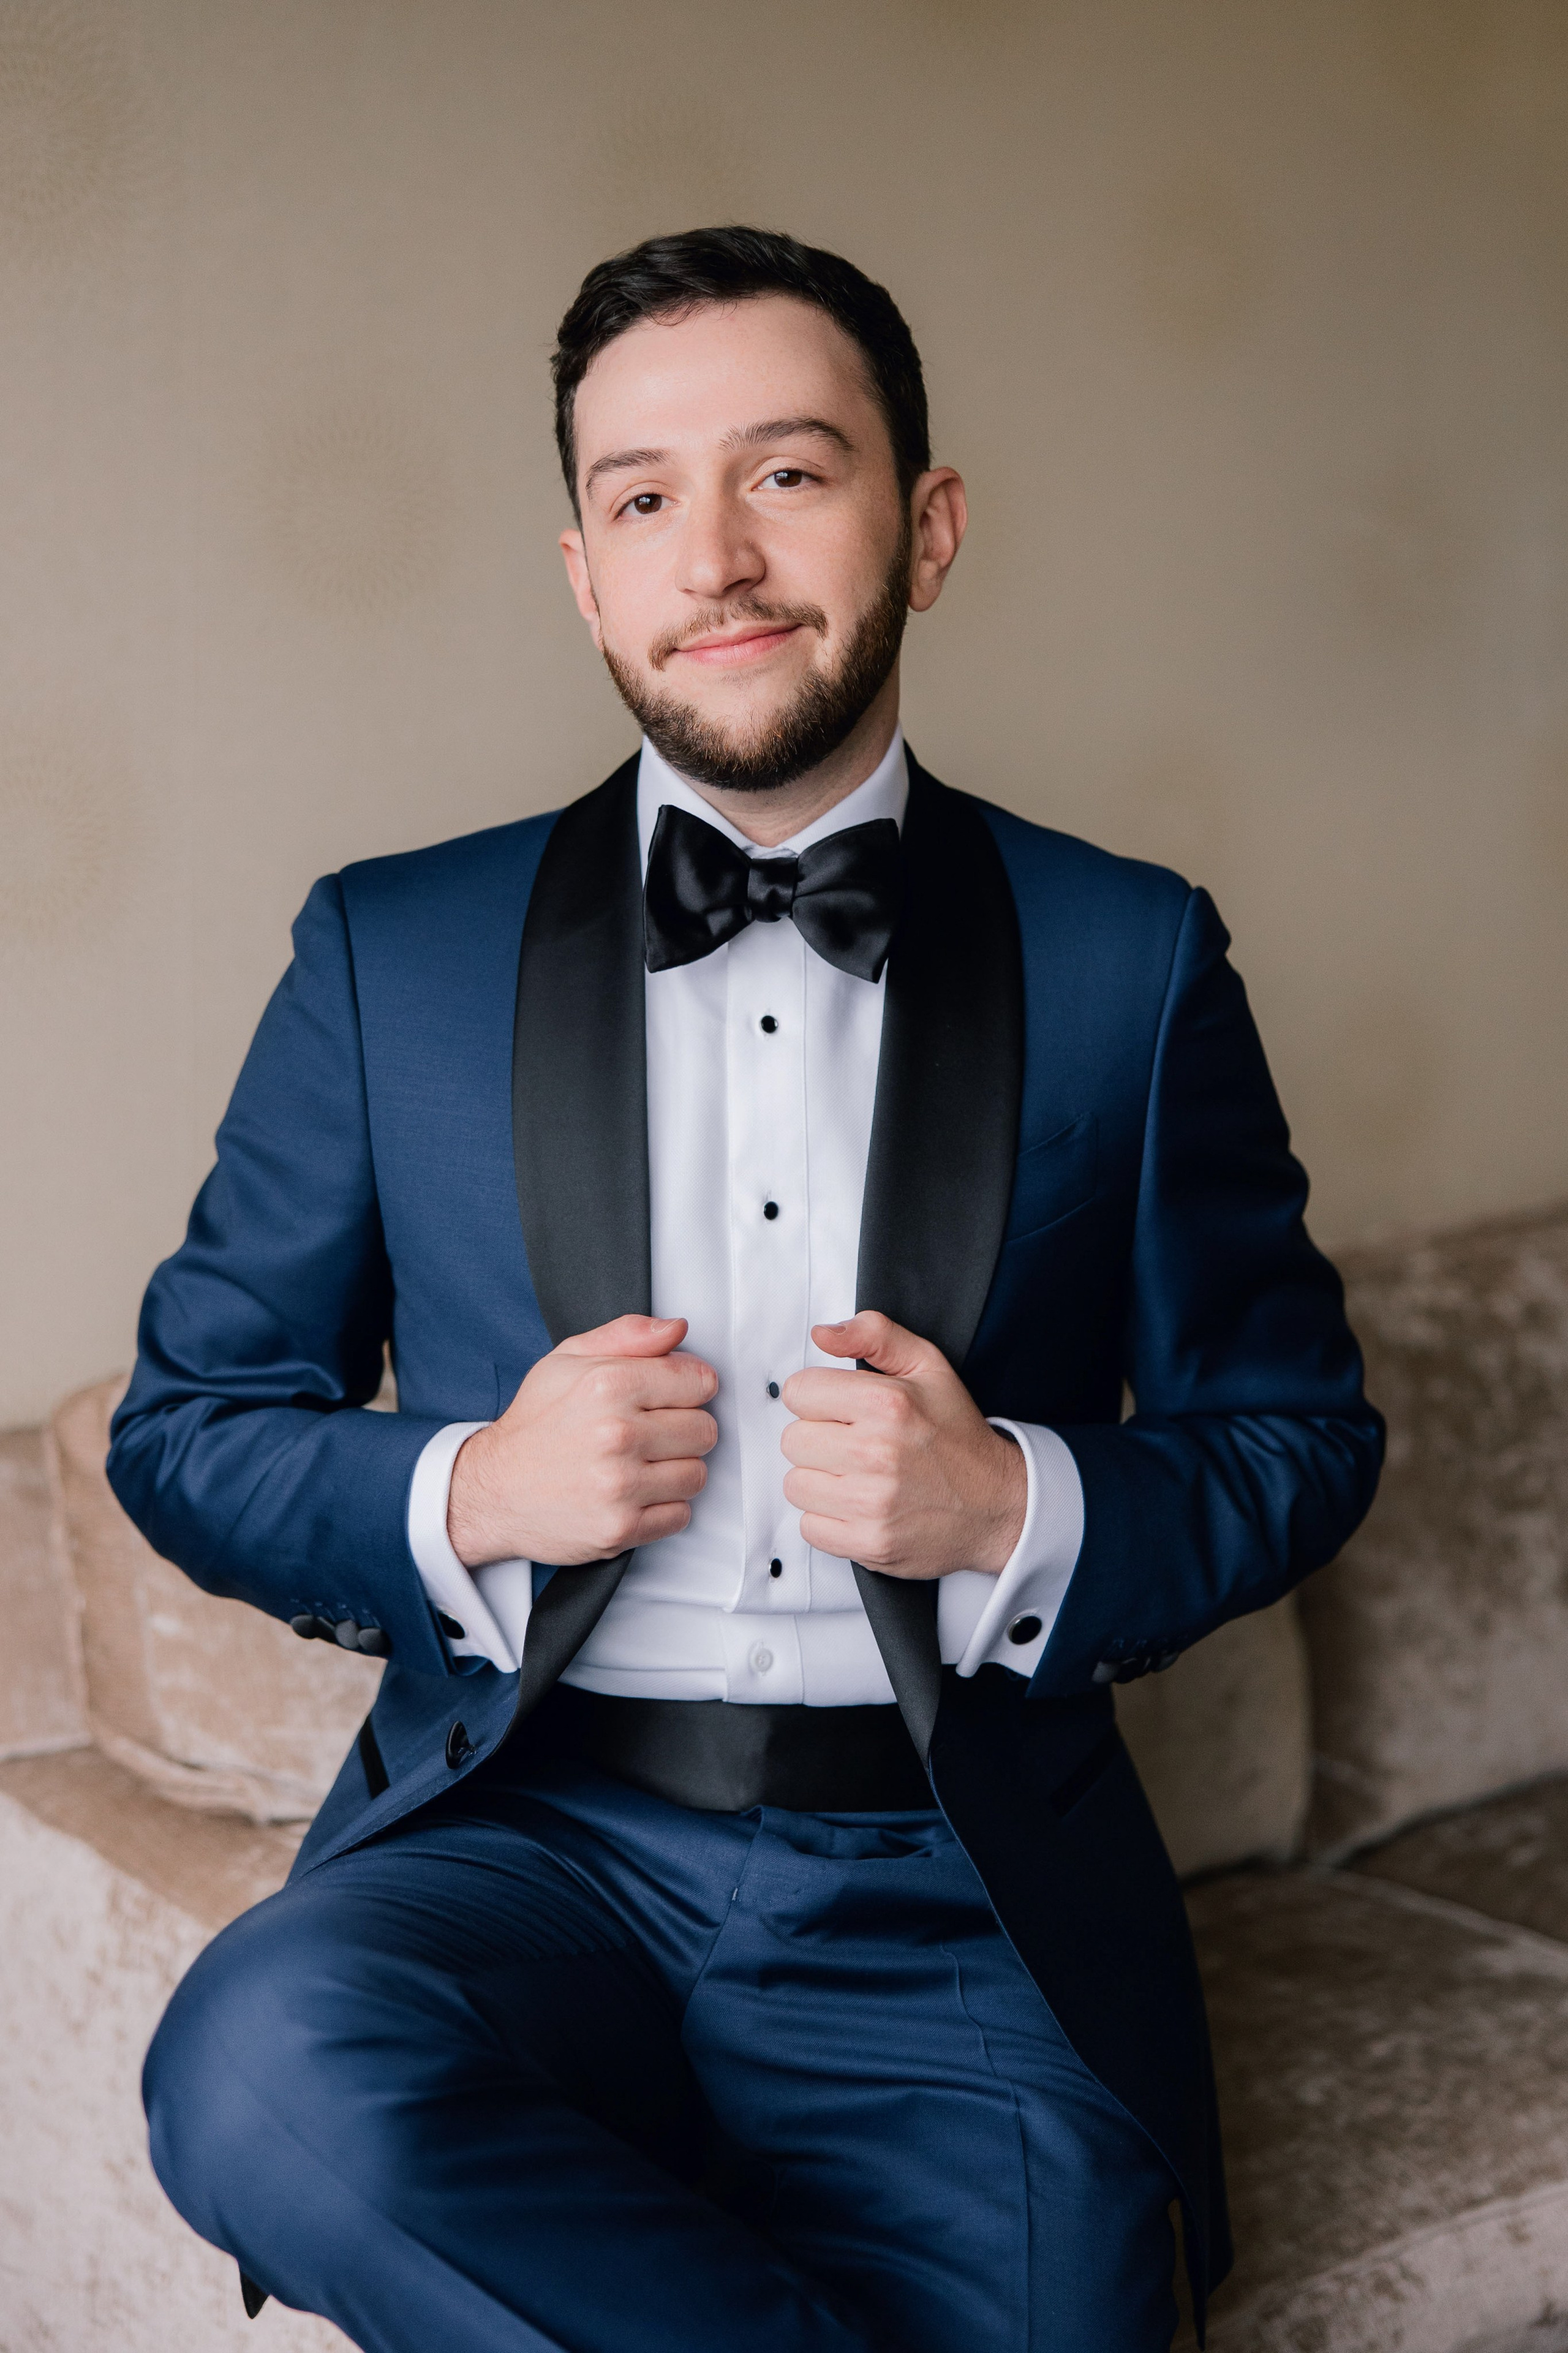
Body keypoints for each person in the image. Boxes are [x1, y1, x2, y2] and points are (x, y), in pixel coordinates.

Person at [109, 227, 1382, 2353]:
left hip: (958, 1888)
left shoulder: (1129, 955)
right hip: (533, 1849)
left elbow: (1302, 1439)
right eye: (641, 497)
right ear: (583, 573)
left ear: (929, 524)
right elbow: (193, 1430)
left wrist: (1019, 1513)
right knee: (253, 2059)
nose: (717, 553)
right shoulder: (384, 953)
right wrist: (472, 1495)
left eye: (790, 472)